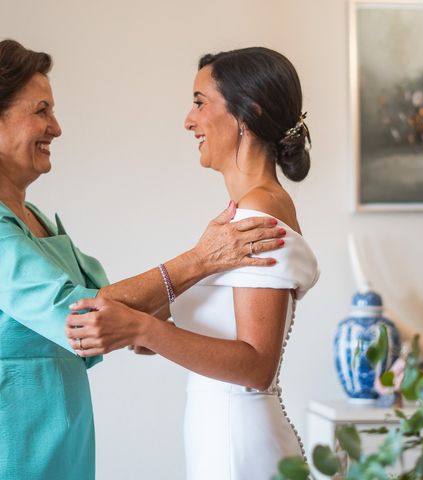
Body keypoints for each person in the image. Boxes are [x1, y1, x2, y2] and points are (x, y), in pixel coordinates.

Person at [0, 39, 286, 480]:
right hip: (17, 444)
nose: (56, 128)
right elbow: (83, 317)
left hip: (67, 445)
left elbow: (120, 304)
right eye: (41, 111)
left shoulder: (36, 219)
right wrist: (200, 260)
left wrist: (194, 276)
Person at [66, 47, 320, 479]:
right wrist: (159, 328)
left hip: (238, 442)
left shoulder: (257, 216)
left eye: (200, 102)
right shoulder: (239, 216)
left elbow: (256, 366)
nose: (189, 120)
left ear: (247, 112)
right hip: (217, 430)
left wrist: (148, 330)